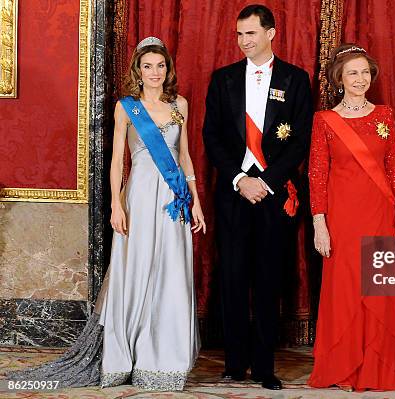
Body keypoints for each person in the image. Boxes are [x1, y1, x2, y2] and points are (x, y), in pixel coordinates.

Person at [9, 37, 205, 391]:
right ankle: (125, 353)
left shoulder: (180, 105)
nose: (155, 72)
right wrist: (117, 203)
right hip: (140, 197)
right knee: (136, 268)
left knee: (171, 270)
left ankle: (163, 358)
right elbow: (117, 162)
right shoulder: (126, 108)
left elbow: (185, 156)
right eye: (148, 66)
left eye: (160, 65)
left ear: (168, 69)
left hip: (173, 199)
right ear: (138, 70)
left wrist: (196, 200)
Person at [202, 4, 313, 391]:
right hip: (234, 192)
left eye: (250, 33)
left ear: (271, 33)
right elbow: (211, 136)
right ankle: (234, 363)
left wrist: (265, 181)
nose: (243, 41)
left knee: (269, 280)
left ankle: (264, 366)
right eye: (239, 34)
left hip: (273, 193)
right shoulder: (223, 79)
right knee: (233, 278)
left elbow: (300, 140)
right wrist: (238, 178)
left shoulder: (296, 80)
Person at [307, 43, 395, 392]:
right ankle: (344, 366)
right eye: (353, 72)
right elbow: (317, 175)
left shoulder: (385, 115)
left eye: (365, 72)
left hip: (380, 213)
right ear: (340, 78)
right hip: (342, 217)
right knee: (346, 290)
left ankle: (377, 367)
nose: (361, 78)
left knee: (377, 288)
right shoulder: (325, 120)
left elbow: (394, 167)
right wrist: (319, 223)